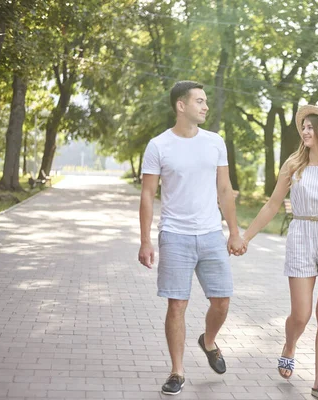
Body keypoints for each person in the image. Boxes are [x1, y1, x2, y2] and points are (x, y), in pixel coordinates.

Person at [240, 105, 318, 400]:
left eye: (310, 127)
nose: (305, 131)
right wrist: (246, 237)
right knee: (302, 313)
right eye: (303, 127)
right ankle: (289, 345)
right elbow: (271, 205)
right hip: (301, 236)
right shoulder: (293, 166)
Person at [138, 80, 245, 396]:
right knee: (176, 306)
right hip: (175, 236)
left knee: (222, 301)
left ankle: (209, 340)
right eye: (199, 101)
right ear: (181, 105)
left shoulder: (215, 142)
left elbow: (224, 191)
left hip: (212, 234)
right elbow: (147, 195)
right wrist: (145, 240)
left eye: (206, 101)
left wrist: (234, 232)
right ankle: (177, 371)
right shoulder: (159, 146)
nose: (206, 106)